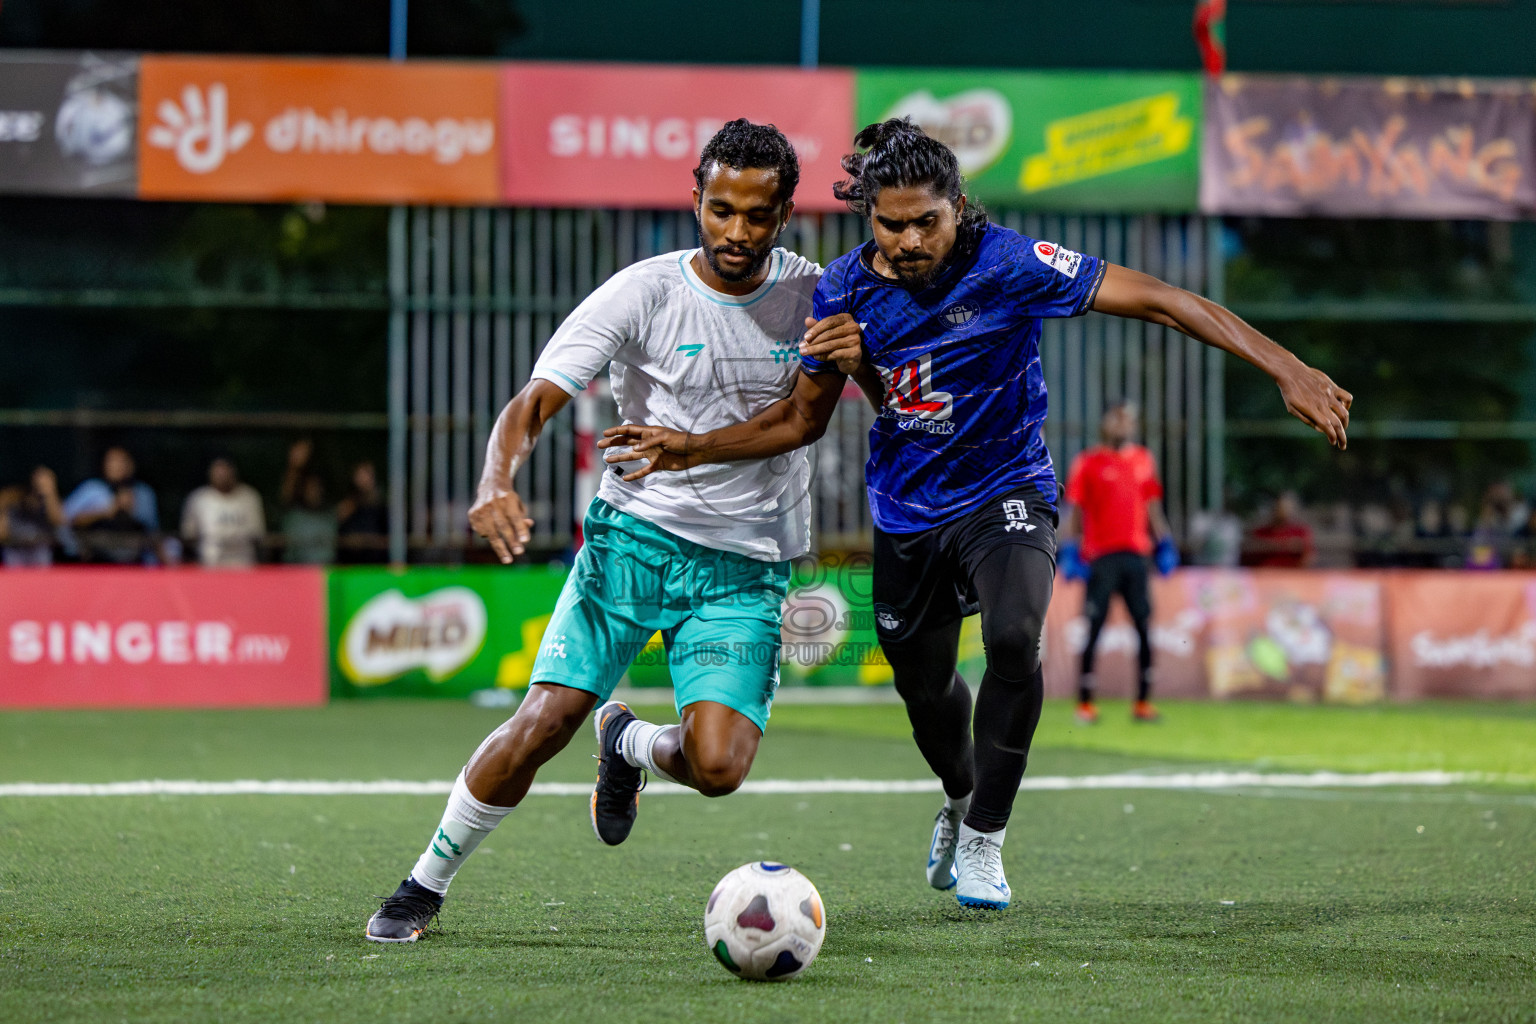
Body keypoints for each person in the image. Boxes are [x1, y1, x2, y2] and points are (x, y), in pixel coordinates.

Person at [601, 119, 1351, 911]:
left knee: (1013, 637)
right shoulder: (844, 289)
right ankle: (961, 800)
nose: (912, 239)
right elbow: (800, 421)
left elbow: (1163, 300)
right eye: (893, 224)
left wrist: (1286, 366)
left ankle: (987, 837)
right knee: (925, 694)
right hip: (907, 510)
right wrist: (691, 446)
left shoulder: (1011, 265)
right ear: (869, 217)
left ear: (958, 206)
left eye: (929, 220)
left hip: (1007, 491)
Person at [363, 120, 863, 943]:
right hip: (633, 543)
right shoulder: (643, 292)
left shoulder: (819, 295)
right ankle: (424, 884)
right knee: (545, 719)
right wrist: (497, 478)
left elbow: (832, 409)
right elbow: (537, 401)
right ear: (695, 200)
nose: (736, 231)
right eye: (720, 209)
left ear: (785, 215)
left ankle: (628, 742)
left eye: (757, 215)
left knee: (717, 769)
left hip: (746, 566)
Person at [1059, 402, 1176, 725]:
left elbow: (1153, 506)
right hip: (1101, 557)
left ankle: (1142, 703)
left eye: (1129, 419)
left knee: (1143, 626)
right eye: (1118, 418)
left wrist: (1164, 542)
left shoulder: (1143, 460)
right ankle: (1085, 704)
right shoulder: (1087, 462)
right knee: (1093, 627)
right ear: (1104, 422)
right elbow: (1073, 511)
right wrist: (1069, 549)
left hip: (1136, 555)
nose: (1124, 424)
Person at [61, 447, 159, 562]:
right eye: (111, 461)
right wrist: (107, 511)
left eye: (120, 461)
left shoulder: (142, 493)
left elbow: (151, 529)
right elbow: (64, 519)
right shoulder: (92, 489)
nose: (115, 466)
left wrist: (130, 509)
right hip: (95, 559)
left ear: (130, 465)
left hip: (133, 560)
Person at [181, 457, 266, 568]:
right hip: (209, 563)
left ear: (233, 474)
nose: (222, 477)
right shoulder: (199, 498)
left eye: (225, 472)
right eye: (218, 473)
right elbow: (189, 535)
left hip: (243, 563)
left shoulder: (249, 497)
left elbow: (258, 534)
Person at [0, 466, 65, 567]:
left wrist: (49, 492)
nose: (39, 484)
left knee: (41, 554)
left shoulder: (49, 502)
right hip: (15, 548)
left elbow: (58, 521)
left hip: (40, 549)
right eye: (37, 480)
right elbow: (2, 534)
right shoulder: (14, 498)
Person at [336, 461, 388, 564]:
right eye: (360, 475)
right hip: (349, 562)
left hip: (376, 563)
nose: (363, 479)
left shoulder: (382, 507)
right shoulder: (348, 505)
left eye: (367, 474)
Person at [1246, 491, 1314, 568]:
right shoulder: (1260, 533)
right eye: (1279, 507)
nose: (1283, 511)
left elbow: (1309, 556)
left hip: (1292, 575)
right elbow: (1248, 559)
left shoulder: (1300, 532)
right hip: (1264, 575)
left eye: (1287, 507)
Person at [281, 472, 337, 564]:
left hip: (326, 569)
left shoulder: (330, 516)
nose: (313, 491)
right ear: (303, 490)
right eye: (310, 488)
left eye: (316, 487)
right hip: (296, 571)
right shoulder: (293, 517)